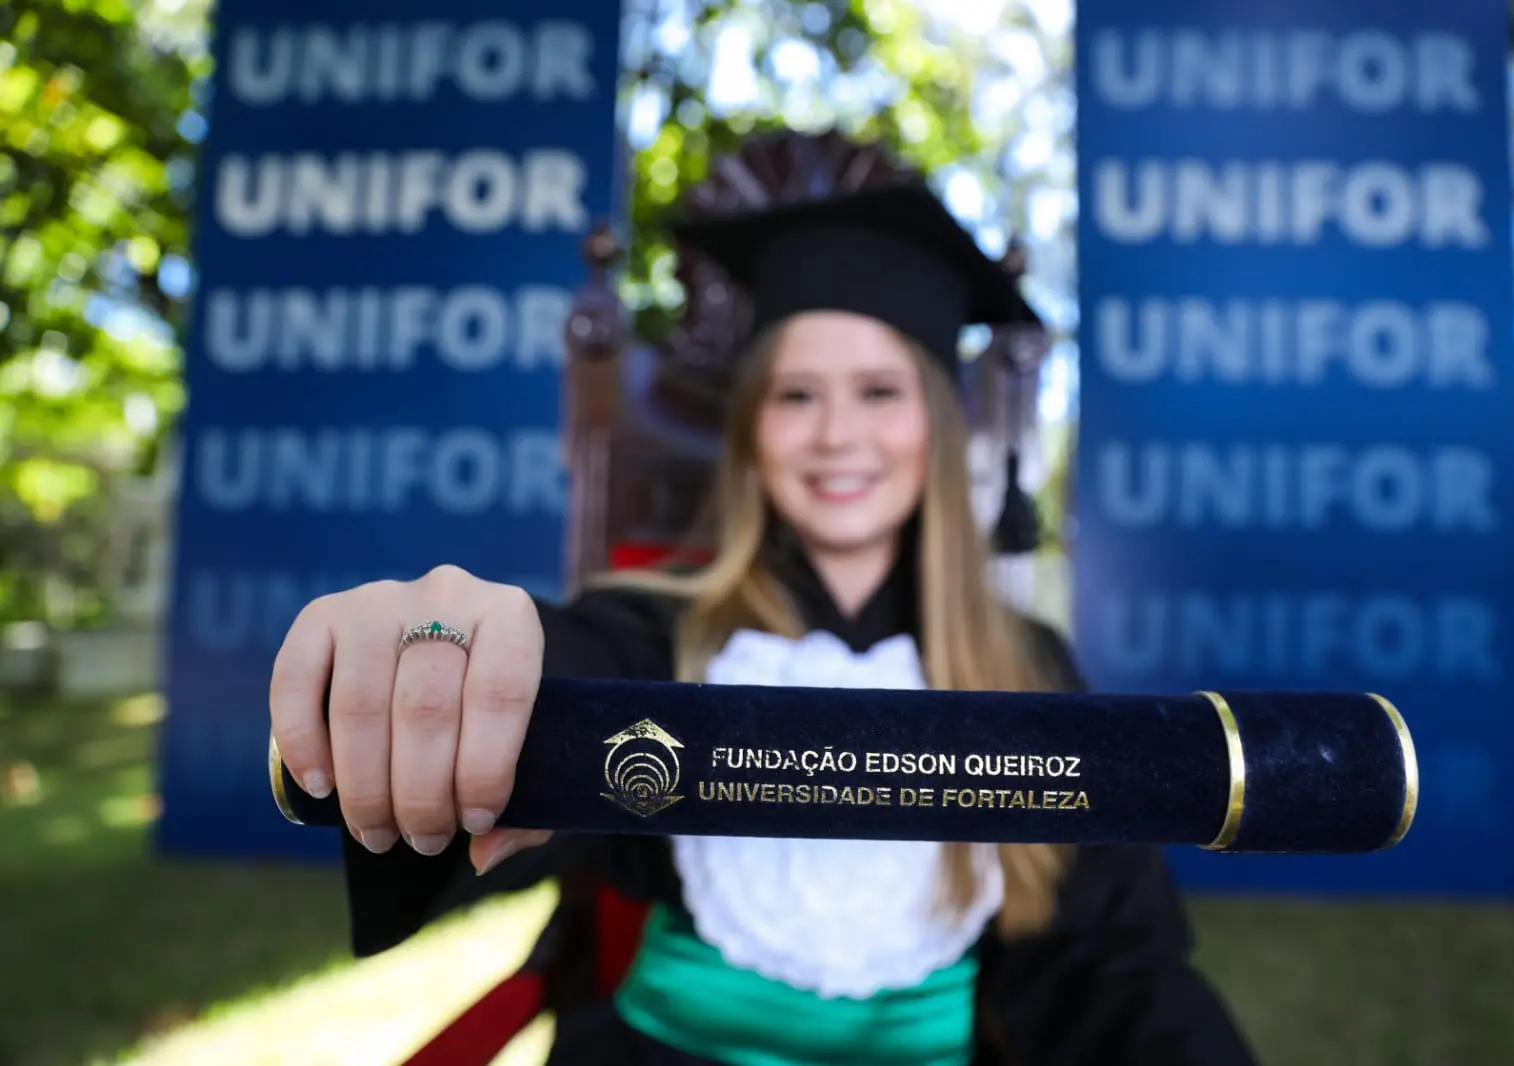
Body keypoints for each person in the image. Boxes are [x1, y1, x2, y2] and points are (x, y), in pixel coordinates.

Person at [268, 178, 1260, 1066]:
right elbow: (556, 679)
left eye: (880, 392)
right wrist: (447, 653)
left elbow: (1110, 963)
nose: (836, 434)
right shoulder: (658, 632)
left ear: (938, 423)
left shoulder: (1028, 668)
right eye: (796, 395)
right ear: (750, 431)